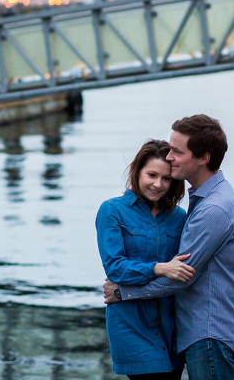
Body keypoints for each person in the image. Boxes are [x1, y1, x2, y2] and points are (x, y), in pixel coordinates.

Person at [103, 115, 234, 380]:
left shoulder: (212, 209)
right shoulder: (205, 200)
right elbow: (120, 265)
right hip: (192, 331)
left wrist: (121, 292)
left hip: (208, 330)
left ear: (203, 158)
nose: (170, 156)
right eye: (151, 174)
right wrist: (157, 270)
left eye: (177, 151)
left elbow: (180, 278)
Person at [96, 139, 196, 379]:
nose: (158, 184)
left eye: (166, 178)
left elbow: (184, 271)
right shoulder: (111, 211)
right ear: (137, 171)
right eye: (151, 175)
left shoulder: (179, 218)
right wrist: (160, 268)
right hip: (131, 326)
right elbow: (116, 268)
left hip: (171, 327)